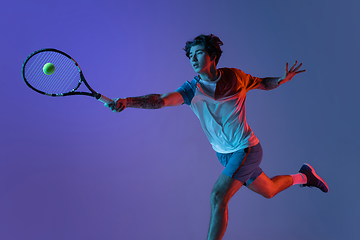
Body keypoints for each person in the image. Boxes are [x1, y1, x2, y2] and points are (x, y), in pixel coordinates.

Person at [105, 34, 329, 240]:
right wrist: (128, 101)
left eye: (199, 53)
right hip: (224, 155)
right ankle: (304, 176)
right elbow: (160, 99)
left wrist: (280, 80)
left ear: (212, 56)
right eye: (190, 55)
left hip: (246, 148)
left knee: (217, 196)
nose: (193, 58)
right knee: (269, 190)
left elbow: (262, 83)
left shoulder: (236, 78)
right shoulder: (192, 89)